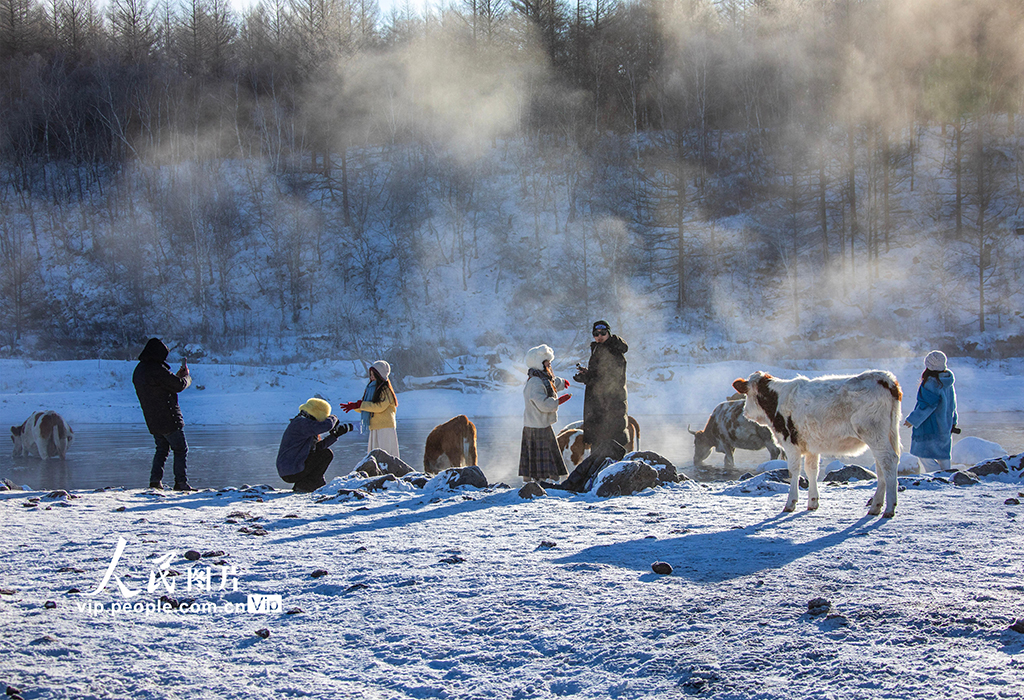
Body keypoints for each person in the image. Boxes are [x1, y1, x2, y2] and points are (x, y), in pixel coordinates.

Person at [132, 338, 193, 491]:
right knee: (180, 449)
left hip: (152, 419)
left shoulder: (139, 370)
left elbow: (163, 385)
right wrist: (186, 378)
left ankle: (155, 481)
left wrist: (176, 377)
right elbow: (177, 386)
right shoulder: (157, 370)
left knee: (161, 449)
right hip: (168, 417)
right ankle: (181, 483)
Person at [573, 320, 629, 453]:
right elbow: (600, 374)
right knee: (599, 449)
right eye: (596, 334)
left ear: (609, 333)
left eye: (603, 333)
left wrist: (587, 378)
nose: (599, 336)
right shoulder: (600, 348)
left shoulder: (613, 351)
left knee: (607, 449)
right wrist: (587, 374)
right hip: (600, 407)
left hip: (609, 407)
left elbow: (610, 380)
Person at [276, 398, 353, 492]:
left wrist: (335, 435)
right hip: (292, 470)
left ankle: (305, 484)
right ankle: (309, 484)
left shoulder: (302, 423)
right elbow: (327, 426)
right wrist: (333, 418)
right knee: (326, 454)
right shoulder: (300, 423)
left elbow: (317, 449)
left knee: (324, 453)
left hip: (292, 469)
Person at [519, 344, 572, 482]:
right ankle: (540, 483)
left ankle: (543, 482)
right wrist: (558, 401)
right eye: (547, 362)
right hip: (537, 427)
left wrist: (562, 382)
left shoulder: (540, 376)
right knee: (541, 463)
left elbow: (551, 382)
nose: (549, 364)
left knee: (541, 461)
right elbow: (543, 404)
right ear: (539, 363)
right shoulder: (535, 382)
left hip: (539, 424)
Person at [905, 350, 959, 472]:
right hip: (945, 426)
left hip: (930, 427)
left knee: (923, 454)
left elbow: (927, 405)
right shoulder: (947, 381)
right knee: (943, 455)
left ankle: (938, 476)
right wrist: (953, 422)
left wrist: (912, 420)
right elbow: (952, 404)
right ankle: (948, 478)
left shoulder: (931, 383)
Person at [341, 360, 400, 458]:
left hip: (385, 426)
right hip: (375, 426)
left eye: (374, 375)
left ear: (380, 375)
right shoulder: (371, 389)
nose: (372, 377)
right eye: (371, 375)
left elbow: (379, 407)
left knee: (386, 454)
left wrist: (360, 405)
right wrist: (355, 406)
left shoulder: (385, 390)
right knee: (375, 454)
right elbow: (367, 407)